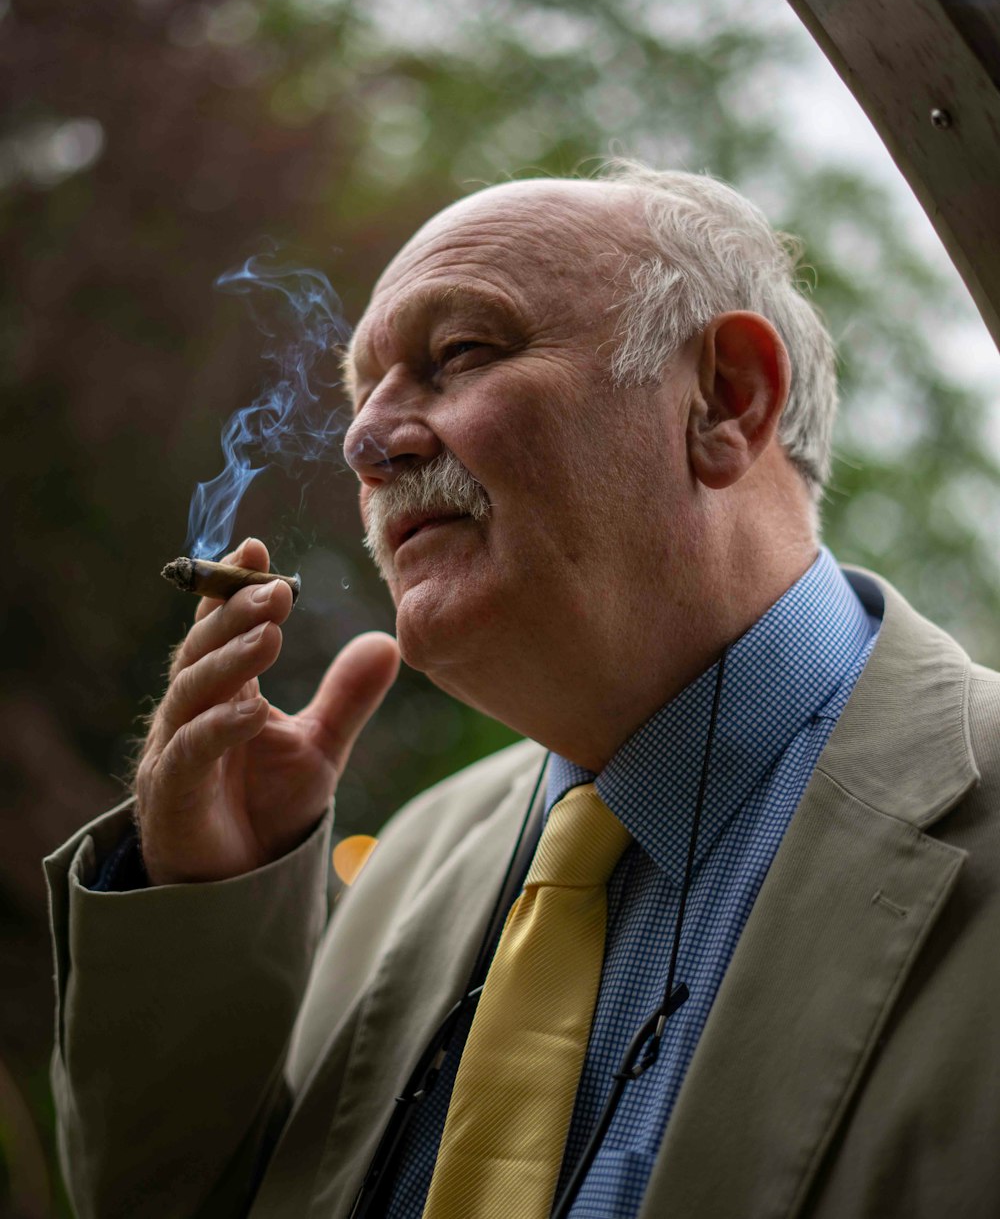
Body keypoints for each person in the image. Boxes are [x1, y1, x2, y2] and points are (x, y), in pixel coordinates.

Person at [46, 163, 1000, 1219]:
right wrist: (197, 902)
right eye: (364, 398)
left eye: (459, 354)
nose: (365, 443)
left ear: (726, 401)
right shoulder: (413, 854)